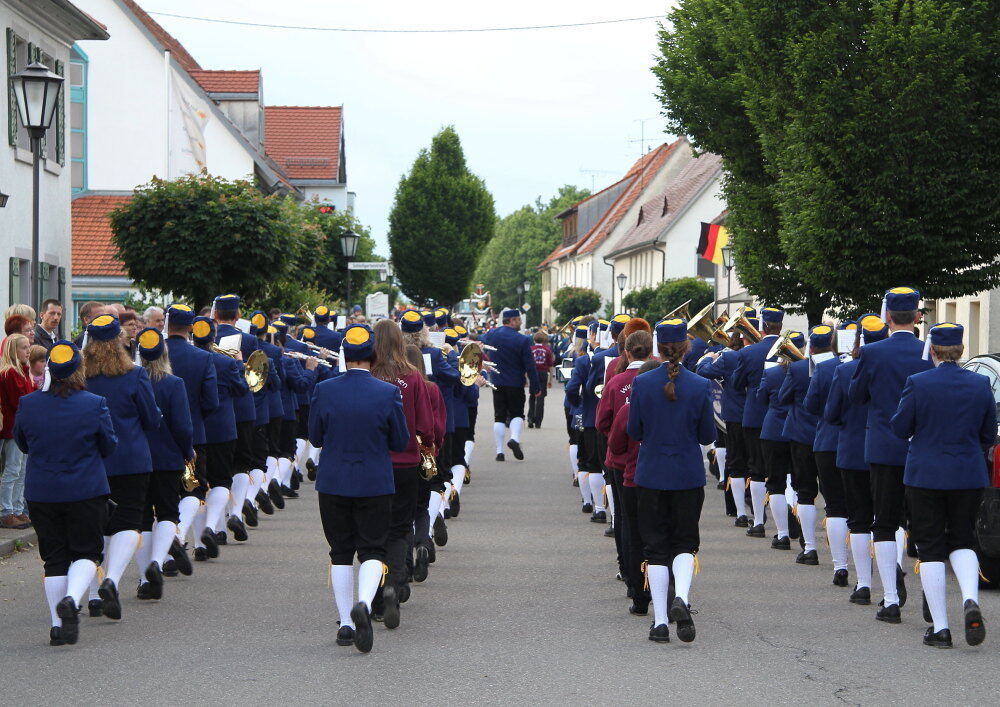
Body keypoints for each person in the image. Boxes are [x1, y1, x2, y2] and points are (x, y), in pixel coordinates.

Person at [891, 322, 995, 648]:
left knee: (931, 549)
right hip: (967, 474)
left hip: (925, 475)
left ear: (933, 351)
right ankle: (968, 598)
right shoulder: (980, 384)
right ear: (961, 350)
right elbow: (988, 435)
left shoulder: (918, 383)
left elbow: (899, 427)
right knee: (963, 539)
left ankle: (940, 629)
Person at [309, 323, 409, 653]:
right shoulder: (387, 392)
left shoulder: (324, 389)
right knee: (373, 549)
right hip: (375, 481)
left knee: (339, 552)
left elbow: (316, 437)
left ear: (344, 354)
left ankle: (346, 624)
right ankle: (364, 603)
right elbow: (399, 440)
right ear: (373, 355)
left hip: (334, 481)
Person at [14, 341, 116, 645]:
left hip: (42, 490)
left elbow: (22, 443)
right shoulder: (95, 403)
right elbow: (108, 445)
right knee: (87, 552)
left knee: (54, 558)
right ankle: (72, 599)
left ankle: (58, 627)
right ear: (78, 370)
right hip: (86, 488)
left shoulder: (28, 403)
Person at [628, 319, 716, 644]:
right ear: (685, 347)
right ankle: (682, 596)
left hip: (651, 474)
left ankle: (661, 622)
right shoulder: (700, 385)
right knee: (684, 542)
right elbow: (708, 435)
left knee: (655, 548)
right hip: (687, 475)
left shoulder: (643, 382)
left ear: (658, 349)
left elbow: (634, 431)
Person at [848, 287, 932, 623]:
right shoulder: (930, 351)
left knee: (884, 522)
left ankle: (891, 599)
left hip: (883, 446)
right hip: (921, 448)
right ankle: (931, 594)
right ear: (916, 317)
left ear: (886, 317)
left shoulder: (873, 353)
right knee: (924, 526)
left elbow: (856, 396)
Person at [81, 314, 160, 622]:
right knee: (128, 520)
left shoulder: (80, 374)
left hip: (92, 460)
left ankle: (92, 596)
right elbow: (152, 419)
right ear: (119, 341)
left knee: (94, 526)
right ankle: (112, 578)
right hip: (131, 458)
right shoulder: (135, 375)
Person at [371, 318, 434, 624]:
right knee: (399, 528)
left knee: (373, 530)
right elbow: (425, 425)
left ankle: (375, 591)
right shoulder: (413, 376)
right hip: (406, 463)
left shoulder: (368, 374)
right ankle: (395, 586)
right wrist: (427, 446)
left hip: (372, 463)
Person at [825, 314, 889, 606]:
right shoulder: (905, 365)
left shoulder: (844, 370)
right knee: (891, 519)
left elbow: (832, 415)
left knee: (860, 519)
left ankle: (864, 584)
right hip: (890, 451)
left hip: (852, 450)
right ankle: (893, 575)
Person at [133, 328, 194, 596]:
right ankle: (157, 562)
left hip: (137, 459)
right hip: (168, 457)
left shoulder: (131, 381)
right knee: (169, 512)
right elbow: (183, 426)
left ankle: (145, 582)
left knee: (143, 518)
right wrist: (188, 451)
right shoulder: (173, 383)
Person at [596, 331, 654, 611]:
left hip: (621, 461)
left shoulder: (617, 381)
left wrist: (617, 443)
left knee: (625, 521)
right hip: (654, 459)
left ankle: (632, 578)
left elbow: (602, 421)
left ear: (627, 353)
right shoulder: (660, 379)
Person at [163, 304, 220, 561]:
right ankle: (179, 533)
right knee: (193, 491)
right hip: (194, 434)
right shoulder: (202, 357)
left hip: (158, 437)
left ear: (166, 323)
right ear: (190, 328)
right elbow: (211, 402)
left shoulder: (152, 354)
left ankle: (162, 560)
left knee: (161, 500)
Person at [191, 316, 251, 547]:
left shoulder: (175, 359)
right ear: (213, 337)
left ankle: (198, 545)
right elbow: (242, 388)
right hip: (222, 430)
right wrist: (238, 362)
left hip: (194, 431)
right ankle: (212, 526)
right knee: (221, 482)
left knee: (195, 487)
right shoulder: (226, 363)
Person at [213, 295, 265, 527]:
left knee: (219, 470)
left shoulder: (207, 337)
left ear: (214, 315)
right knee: (242, 464)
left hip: (218, 409)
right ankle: (236, 512)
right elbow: (254, 379)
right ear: (238, 316)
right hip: (243, 408)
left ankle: (219, 525)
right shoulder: (249, 340)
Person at [732, 308, 784, 535]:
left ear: (761, 327)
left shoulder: (749, 352)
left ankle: (759, 521)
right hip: (782, 417)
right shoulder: (790, 350)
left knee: (756, 469)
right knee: (783, 471)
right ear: (780, 326)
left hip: (754, 416)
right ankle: (789, 521)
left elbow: (736, 384)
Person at [480, 308, 540, 461]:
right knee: (517, 414)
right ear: (512, 321)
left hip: (497, 382)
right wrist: (535, 387)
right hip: (515, 383)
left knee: (499, 416)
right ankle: (514, 438)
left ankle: (499, 452)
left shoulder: (492, 334)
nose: (520, 322)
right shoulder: (523, 339)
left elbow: (479, 341)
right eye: (518, 320)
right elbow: (530, 366)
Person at [567, 322, 606, 522]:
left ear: (593, 335)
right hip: (617, 417)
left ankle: (592, 504)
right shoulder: (624, 356)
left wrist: (578, 405)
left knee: (588, 462)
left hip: (589, 416)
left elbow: (571, 389)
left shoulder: (586, 360)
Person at [0, 333, 36, 529]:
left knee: (21, 470)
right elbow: (19, 401)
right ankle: (6, 511)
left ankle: (17, 508)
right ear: (13, 351)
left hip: (20, 428)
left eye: (28, 346)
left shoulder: (22, 371)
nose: (28, 350)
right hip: (12, 428)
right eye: (24, 347)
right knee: (12, 470)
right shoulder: (9, 373)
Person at [527, 330, 555, 428]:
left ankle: (530, 418)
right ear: (543, 340)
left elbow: (527, 364)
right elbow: (551, 366)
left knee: (532, 396)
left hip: (533, 373)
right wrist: (550, 380)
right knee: (541, 397)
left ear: (534, 339)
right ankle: (538, 421)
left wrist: (525, 378)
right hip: (543, 374)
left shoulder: (530, 349)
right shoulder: (547, 350)